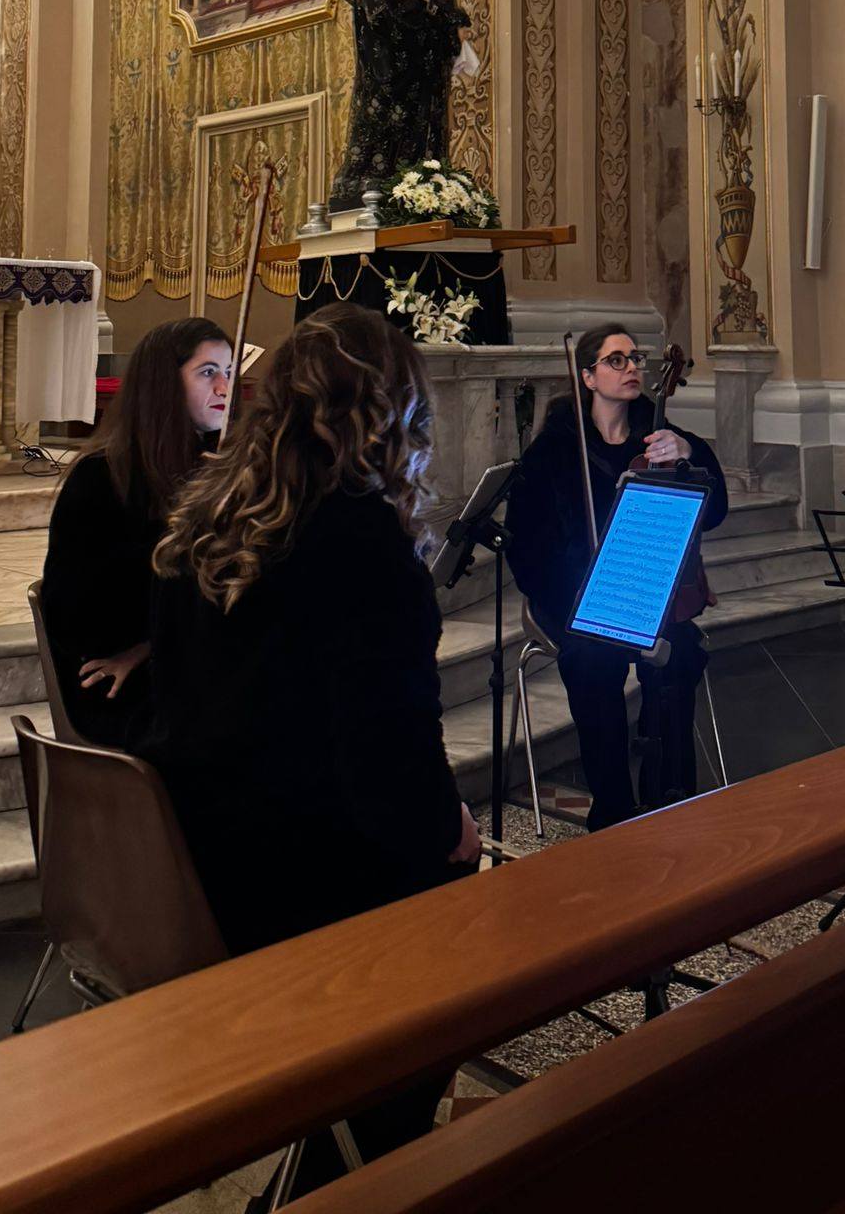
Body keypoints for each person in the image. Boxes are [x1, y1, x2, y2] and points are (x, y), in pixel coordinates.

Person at [143, 303, 479, 1182]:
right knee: (467, 909)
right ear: (391, 416)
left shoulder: (203, 524)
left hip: (194, 865)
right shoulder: (368, 550)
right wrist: (451, 828)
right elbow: (392, 765)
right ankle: (362, 1167)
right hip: (301, 886)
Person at [504, 325, 728, 830]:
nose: (631, 368)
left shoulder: (662, 437)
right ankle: (612, 811)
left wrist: (690, 454)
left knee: (679, 654)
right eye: (616, 360)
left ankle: (667, 797)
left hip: (647, 595)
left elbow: (713, 513)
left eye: (635, 359)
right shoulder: (553, 451)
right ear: (588, 377)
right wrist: (582, 602)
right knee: (592, 659)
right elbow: (527, 550)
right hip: (571, 600)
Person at [39, 318, 230, 747]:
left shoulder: (215, 466)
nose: (224, 388)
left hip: (173, 660)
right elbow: (78, 616)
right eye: (208, 372)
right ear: (163, 383)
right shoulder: (101, 477)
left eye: (229, 373)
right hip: (116, 682)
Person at [329, 0, 470, 208]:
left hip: (422, 59)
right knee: (385, 123)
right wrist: (413, 16)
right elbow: (375, 6)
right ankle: (382, 183)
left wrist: (450, 23)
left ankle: (419, 185)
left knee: (421, 123)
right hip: (391, 59)